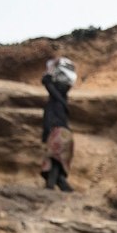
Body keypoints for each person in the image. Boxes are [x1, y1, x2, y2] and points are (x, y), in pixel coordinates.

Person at [40, 57, 76, 192]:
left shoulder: (57, 99)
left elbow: (46, 81)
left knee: (54, 162)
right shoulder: (62, 100)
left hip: (58, 132)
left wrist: (51, 67)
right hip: (65, 134)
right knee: (56, 165)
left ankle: (49, 188)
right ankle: (66, 190)